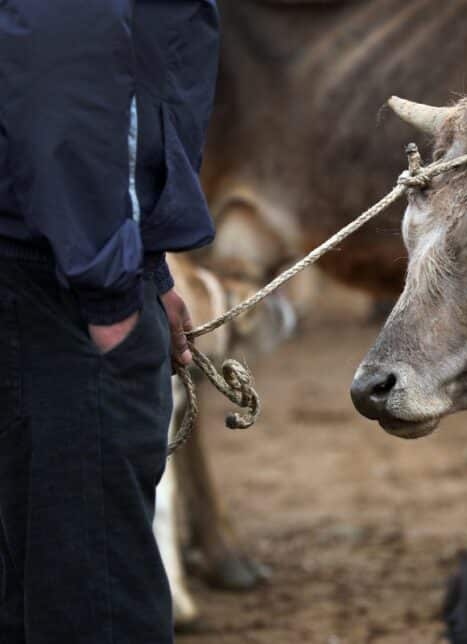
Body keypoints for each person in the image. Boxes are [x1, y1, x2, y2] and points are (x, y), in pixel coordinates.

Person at [0, 2, 219, 642]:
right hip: (57, 287)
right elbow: (65, 90)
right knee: (97, 595)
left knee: (34, 577)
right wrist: (110, 292)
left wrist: (148, 264)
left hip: (57, 263)